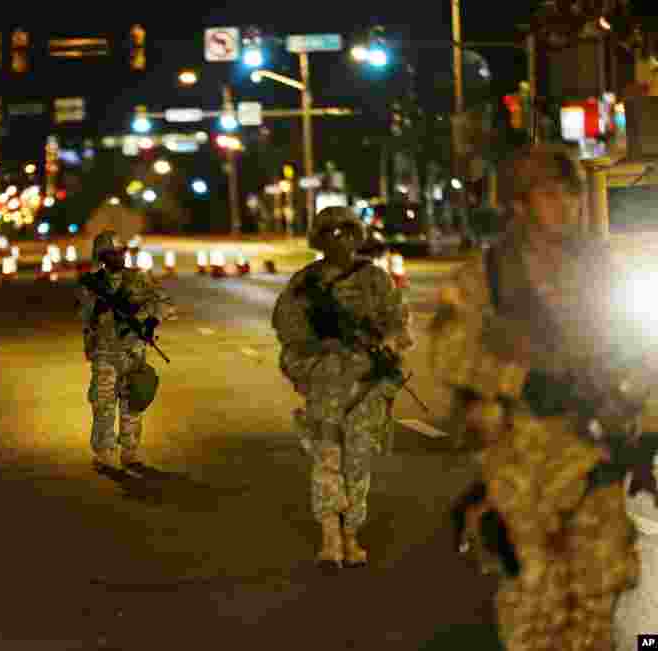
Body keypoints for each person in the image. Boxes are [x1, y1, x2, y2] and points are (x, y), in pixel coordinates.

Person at [430, 144, 658, 651]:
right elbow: (448, 352)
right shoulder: (487, 276)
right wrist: (520, 381)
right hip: (523, 465)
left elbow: (639, 350)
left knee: (599, 603)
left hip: (597, 463)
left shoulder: (601, 273)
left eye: (571, 194)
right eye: (550, 195)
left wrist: (639, 413)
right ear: (520, 204)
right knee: (534, 606)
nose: (567, 205)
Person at [272, 206, 414, 567]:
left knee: (358, 462)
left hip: (366, 384)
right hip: (325, 382)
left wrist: (386, 345)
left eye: (346, 232)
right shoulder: (305, 284)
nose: (340, 240)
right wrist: (324, 346)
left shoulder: (374, 280)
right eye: (331, 233)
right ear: (319, 238)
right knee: (327, 459)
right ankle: (331, 536)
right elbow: (288, 330)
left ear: (357, 236)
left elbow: (399, 324)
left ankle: (351, 533)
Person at [77, 231, 175, 471]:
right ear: (102, 257)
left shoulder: (139, 279)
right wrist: (97, 308)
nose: (119, 257)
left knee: (133, 404)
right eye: (113, 253)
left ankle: (130, 452)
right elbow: (85, 319)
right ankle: (104, 453)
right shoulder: (93, 284)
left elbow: (166, 303)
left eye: (121, 252)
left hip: (133, 351)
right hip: (105, 353)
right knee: (103, 405)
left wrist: (151, 321)